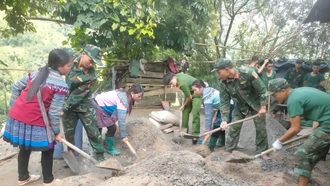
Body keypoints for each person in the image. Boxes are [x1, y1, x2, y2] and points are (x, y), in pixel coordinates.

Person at [3, 49, 72, 185]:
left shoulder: (36, 73)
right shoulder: (61, 85)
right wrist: (57, 133)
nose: (70, 68)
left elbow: (16, 86)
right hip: (34, 118)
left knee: (24, 146)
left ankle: (23, 177)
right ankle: (49, 180)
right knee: (48, 146)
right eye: (68, 66)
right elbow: (53, 113)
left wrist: (16, 105)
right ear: (59, 66)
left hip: (16, 115)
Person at [268, 78, 330, 186]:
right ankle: (305, 176)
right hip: (325, 121)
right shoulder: (298, 92)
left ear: (283, 91)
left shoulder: (293, 100)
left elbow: (295, 129)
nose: (275, 98)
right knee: (313, 152)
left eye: (274, 95)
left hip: (327, 123)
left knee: (302, 154)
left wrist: (279, 141)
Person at [213, 58, 269, 159]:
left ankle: (263, 151)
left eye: (219, 72)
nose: (218, 75)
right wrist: (224, 120)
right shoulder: (223, 83)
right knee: (234, 126)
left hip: (256, 103)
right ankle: (229, 149)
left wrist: (263, 107)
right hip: (240, 105)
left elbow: (263, 90)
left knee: (260, 128)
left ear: (226, 70)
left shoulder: (248, 73)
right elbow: (224, 102)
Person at [62, 44, 106, 162]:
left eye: (94, 63)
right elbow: (56, 57)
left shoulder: (91, 76)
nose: (91, 64)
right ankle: (71, 157)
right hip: (66, 103)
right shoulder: (69, 55)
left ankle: (100, 156)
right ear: (83, 54)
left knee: (93, 131)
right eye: (91, 60)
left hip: (84, 105)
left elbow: (77, 95)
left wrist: (64, 108)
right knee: (69, 133)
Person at [92, 83, 144, 155]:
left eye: (141, 96)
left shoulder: (125, 95)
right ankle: (103, 148)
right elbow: (121, 121)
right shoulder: (123, 100)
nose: (140, 98)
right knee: (107, 128)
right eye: (139, 96)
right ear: (132, 93)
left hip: (101, 106)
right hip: (97, 105)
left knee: (109, 127)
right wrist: (123, 136)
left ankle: (103, 145)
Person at [191, 80, 234, 151]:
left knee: (217, 126)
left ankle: (210, 147)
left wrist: (207, 131)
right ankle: (221, 144)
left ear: (201, 87)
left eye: (195, 90)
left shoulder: (207, 96)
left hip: (228, 106)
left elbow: (208, 115)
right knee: (220, 124)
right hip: (223, 107)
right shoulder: (207, 90)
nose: (194, 92)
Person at [163, 72, 202, 144]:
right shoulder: (177, 78)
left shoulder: (182, 83)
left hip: (196, 91)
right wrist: (184, 106)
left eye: (171, 83)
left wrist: (183, 105)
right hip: (190, 92)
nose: (172, 85)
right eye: (170, 84)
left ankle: (195, 135)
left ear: (174, 77)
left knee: (195, 112)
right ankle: (184, 130)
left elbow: (189, 97)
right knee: (185, 111)